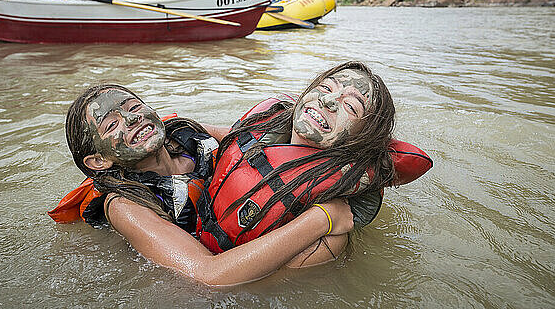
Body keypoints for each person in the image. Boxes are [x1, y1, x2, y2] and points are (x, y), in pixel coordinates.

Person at [49, 84, 355, 286]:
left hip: (226, 226)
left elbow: (255, 145)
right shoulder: (126, 206)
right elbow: (206, 276)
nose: (131, 120)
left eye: (133, 107)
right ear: (99, 162)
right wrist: (320, 219)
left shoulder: (185, 135)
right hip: (205, 270)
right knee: (329, 243)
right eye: (112, 125)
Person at [195, 61, 432, 253]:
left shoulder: (328, 231)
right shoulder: (264, 131)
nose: (327, 101)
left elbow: (218, 282)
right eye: (327, 88)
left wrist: (320, 220)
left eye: (350, 106)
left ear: (361, 140)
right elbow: (233, 139)